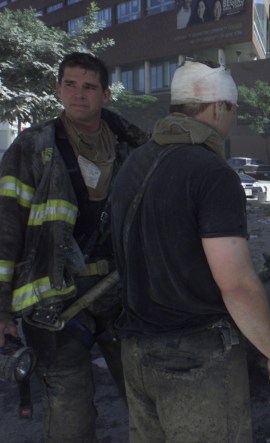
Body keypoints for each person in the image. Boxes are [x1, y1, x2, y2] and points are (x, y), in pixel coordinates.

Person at [110, 61, 270, 441]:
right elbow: (237, 283)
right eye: (232, 110)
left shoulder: (134, 164)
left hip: (135, 351)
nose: (232, 119)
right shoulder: (212, 173)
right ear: (218, 108)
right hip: (193, 360)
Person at [0, 52, 148, 442]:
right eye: (70, 85)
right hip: (54, 302)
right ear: (57, 89)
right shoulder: (33, 146)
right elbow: (6, 227)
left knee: (144, 391)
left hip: (120, 294)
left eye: (88, 86)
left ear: (106, 93)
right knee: (68, 402)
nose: (78, 95)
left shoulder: (133, 147)